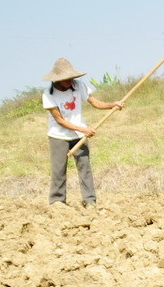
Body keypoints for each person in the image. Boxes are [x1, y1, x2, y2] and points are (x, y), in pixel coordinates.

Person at [41, 57, 123, 206]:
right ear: (57, 80)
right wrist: (82, 129)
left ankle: (90, 201)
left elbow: (95, 102)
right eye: (67, 79)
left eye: (72, 78)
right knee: (59, 170)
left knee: (85, 169)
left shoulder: (79, 86)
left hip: (79, 136)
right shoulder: (48, 95)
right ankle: (57, 202)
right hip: (58, 136)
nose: (70, 82)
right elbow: (60, 120)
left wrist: (113, 105)